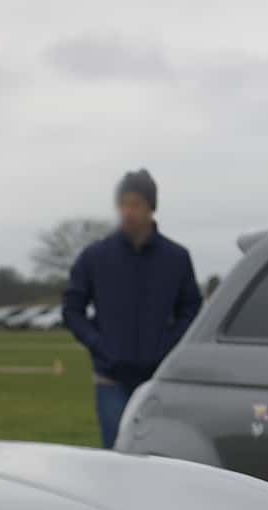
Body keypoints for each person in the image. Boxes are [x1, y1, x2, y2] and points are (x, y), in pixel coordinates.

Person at [60, 168, 202, 449]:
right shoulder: (95, 257)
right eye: (123, 204)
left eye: (135, 204)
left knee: (159, 454)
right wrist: (99, 344)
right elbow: (71, 309)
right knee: (116, 457)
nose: (128, 212)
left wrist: (168, 346)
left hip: (157, 380)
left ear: (151, 207)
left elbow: (191, 309)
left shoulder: (176, 258)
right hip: (109, 378)